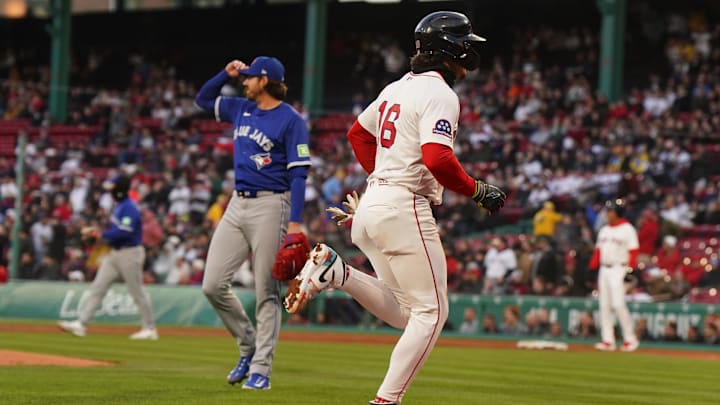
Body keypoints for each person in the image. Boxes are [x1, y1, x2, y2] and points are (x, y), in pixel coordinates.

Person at [284, 11, 505, 405]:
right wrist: (476, 190)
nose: (470, 50)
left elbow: (357, 133)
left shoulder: (395, 88)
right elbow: (437, 158)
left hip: (374, 203)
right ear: (450, 49)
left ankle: (338, 273)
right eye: (464, 42)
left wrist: (382, 178)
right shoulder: (440, 93)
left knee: (410, 315)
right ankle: (386, 400)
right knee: (432, 315)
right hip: (402, 205)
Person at [194, 55, 311, 390]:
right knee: (212, 284)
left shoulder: (291, 120)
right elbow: (202, 100)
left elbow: (299, 175)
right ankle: (248, 345)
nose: (242, 81)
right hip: (237, 203)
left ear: (265, 80)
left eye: (248, 77)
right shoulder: (239, 109)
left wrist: (295, 222)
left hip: (272, 205)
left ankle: (261, 370)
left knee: (266, 292)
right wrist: (223, 73)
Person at [58, 175, 158, 340]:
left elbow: (125, 231)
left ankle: (149, 328)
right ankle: (82, 324)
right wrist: (100, 235)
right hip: (115, 253)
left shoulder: (129, 207)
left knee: (136, 291)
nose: (110, 191)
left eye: (112, 187)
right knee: (98, 287)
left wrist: (100, 234)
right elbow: (116, 232)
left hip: (130, 252)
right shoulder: (119, 206)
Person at [588, 198, 640, 352]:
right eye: (607, 211)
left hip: (619, 268)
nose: (607, 214)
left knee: (618, 304)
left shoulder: (627, 229)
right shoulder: (604, 230)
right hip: (604, 269)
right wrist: (592, 268)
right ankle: (608, 340)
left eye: (610, 211)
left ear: (617, 212)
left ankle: (630, 339)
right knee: (604, 305)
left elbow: (634, 251)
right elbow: (598, 251)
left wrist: (630, 270)